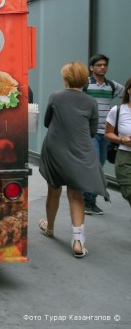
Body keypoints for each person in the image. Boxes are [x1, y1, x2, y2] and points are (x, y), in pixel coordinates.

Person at [38, 62, 110, 258]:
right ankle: (78, 241)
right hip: (79, 150)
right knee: (75, 194)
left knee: (53, 190)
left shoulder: (55, 96)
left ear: (66, 79)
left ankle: (50, 228)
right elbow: (92, 131)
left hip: (55, 148)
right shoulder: (91, 102)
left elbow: (46, 122)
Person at [82, 54, 123, 215]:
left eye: (105, 65)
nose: (102, 67)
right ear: (91, 67)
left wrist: (119, 113)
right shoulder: (85, 84)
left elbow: (126, 96)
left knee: (99, 165)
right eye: (99, 65)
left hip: (105, 133)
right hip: (89, 132)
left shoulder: (111, 85)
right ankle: (88, 201)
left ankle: (90, 200)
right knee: (95, 166)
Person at [105, 78, 131, 208]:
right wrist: (121, 140)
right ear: (129, 90)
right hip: (124, 157)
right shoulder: (118, 110)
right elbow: (108, 133)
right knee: (129, 192)